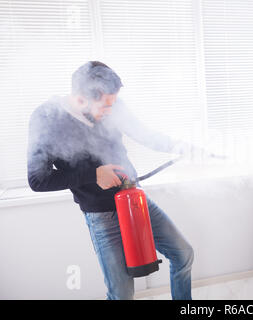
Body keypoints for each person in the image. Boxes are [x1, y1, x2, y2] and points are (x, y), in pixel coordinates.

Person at [27, 61, 195, 300]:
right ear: (82, 99)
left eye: (114, 104)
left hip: (134, 199)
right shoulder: (47, 118)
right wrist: (93, 175)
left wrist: (182, 147)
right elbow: (37, 180)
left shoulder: (113, 105)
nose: (111, 110)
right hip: (101, 215)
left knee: (183, 254)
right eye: (106, 106)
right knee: (121, 294)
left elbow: (144, 134)